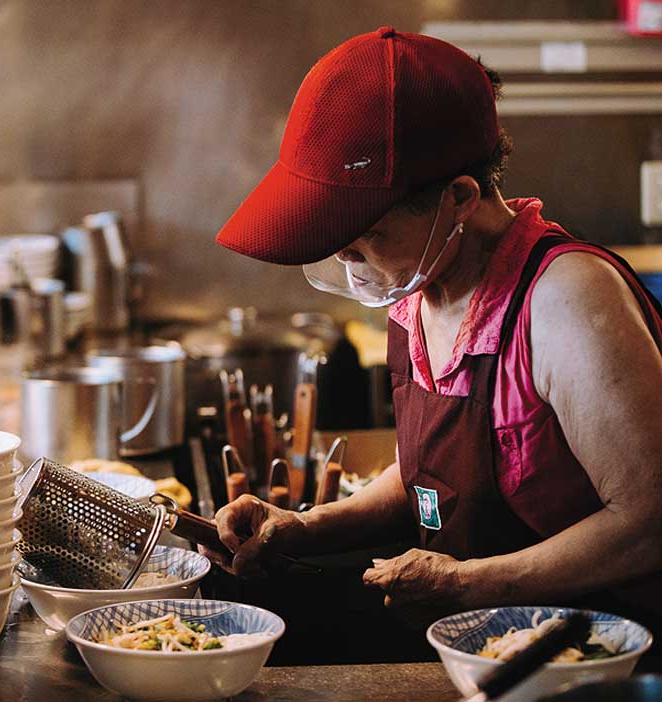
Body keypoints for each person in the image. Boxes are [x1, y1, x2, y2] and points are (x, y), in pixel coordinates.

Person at [206, 27, 662, 650]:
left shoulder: (565, 300)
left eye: (365, 231)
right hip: (474, 650)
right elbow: (429, 477)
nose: (345, 254)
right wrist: (305, 527)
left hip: (591, 660)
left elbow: (649, 522)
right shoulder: (421, 283)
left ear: (459, 198)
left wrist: (472, 583)